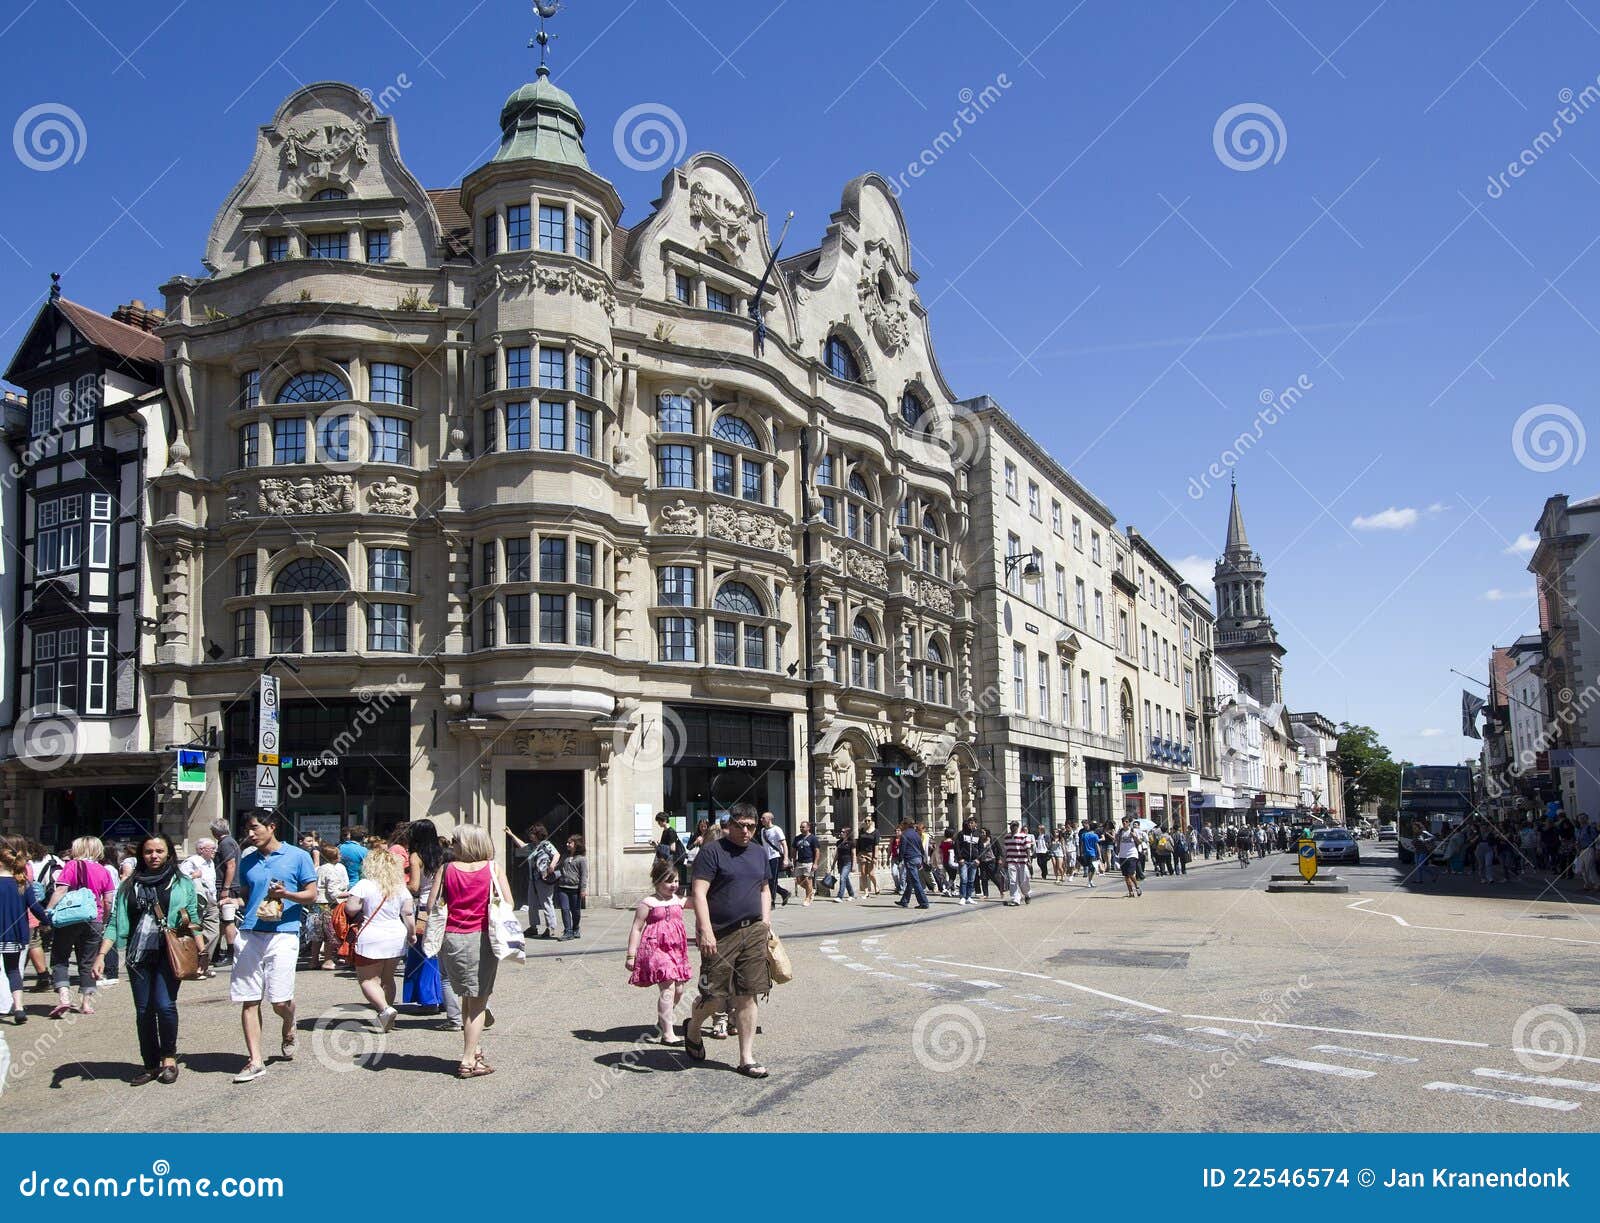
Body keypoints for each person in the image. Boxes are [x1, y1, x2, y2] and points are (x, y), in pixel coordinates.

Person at [92, 834, 199, 1086]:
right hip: (137, 954)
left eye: (159, 851)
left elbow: (193, 917)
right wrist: (100, 955)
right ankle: (150, 1064)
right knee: (143, 1011)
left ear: (169, 854)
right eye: (149, 851)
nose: (154, 856)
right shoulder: (129, 885)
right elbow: (115, 922)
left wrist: (201, 951)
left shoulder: (182, 883)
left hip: (169, 953)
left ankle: (169, 1058)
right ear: (141, 854)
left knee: (164, 1005)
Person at [684, 802, 771, 1078]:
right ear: (729, 825)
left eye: (751, 826)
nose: (746, 831)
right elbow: (699, 893)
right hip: (721, 933)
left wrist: (766, 922)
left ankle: (746, 1058)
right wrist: (705, 929)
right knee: (714, 996)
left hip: (754, 931)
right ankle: (694, 1027)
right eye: (740, 825)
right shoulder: (712, 852)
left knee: (749, 993)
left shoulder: (759, 853)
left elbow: (765, 888)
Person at [229, 810, 317, 1084]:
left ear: (272, 827)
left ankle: (289, 1022)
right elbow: (246, 895)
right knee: (249, 998)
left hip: (283, 932)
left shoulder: (298, 856)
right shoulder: (248, 860)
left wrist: (287, 894)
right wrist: (231, 905)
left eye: (255, 828)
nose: (250, 834)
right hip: (250, 932)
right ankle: (255, 1060)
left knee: (279, 1000)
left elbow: (312, 895)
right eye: (247, 830)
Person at [435, 823, 512, 1078]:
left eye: (455, 840)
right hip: (482, 938)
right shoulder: (493, 868)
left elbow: (431, 905)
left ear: (466, 843)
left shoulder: (445, 870)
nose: (452, 844)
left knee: (468, 997)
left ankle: (475, 1051)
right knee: (478, 1002)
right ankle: (468, 1059)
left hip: (453, 937)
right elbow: (509, 902)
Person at [344, 847, 414, 1033]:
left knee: (368, 980)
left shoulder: (364, 884)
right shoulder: (400, 887)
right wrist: (412, 933)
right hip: (396, 935)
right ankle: (387, 1016)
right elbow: (407, 913)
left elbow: (351, 909)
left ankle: (385, 1009)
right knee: (388, 978)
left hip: (372, 935)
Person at [46, 837, 117, 1018]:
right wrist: (104, 919)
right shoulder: (104, 871)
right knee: (87, 961)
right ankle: (86, 1003)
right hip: (94, 918)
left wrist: (48, 910)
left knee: (60, 957)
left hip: (69, 918)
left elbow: (61, 890)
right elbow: (108, 900)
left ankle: (64, 998)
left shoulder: (71, 866)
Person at [626, 857, 692, 1045]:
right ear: (657, 882)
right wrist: (631, 955)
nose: (674, 885)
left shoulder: (678, 900)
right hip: (655, 949)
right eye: (669, 881)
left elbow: (702, 901)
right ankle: (668, 1034)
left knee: (679, 990)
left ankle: (663, 1020)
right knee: (668, 988)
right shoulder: (648, 903)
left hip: (677, 950)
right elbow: (637, 928)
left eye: (677, 881)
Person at [404, 819, 458, 1026]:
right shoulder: (444, 853)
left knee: (422, 954)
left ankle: (428, 999)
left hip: (424, 909)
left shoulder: (416, 856)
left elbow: (415, 886)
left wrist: (398, 885)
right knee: (438, 955)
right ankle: (444, 998)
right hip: (444, 907)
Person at [0, 840, 50, 1023]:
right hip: (15, 934)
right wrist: (47, 921)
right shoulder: (22, 884)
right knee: (13, 971)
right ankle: (19, 1008)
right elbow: (36, 908)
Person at [508, 822, 561, 940]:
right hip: (533, 879)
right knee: (532, 904)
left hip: (544, 878)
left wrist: (552, 866)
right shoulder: (532, 846)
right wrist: (511, 835)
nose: (530, 836)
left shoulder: (546, 844)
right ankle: (533, 927)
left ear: (538, 834)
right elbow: (522, 845)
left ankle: (551, 928)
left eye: (532, 833)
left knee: (546, 902)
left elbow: (557, 854)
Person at [178, 838, 220, 978]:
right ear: (201, 850)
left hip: (211, 901)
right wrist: (194, 875)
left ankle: (202, 964)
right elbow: (180, 880)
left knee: (213, 932)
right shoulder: (191, 862)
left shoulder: (211, 862)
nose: (215, 850)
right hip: (197, 902)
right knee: (196, 932)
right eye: (212, 848)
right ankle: (195, 966)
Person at [305, 842, 347, 970]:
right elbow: (333, 892)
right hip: (327, 905)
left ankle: (314, 960)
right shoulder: (331, 870)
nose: (340, 855)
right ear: (333, 856)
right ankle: (328, 960)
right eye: (338, 854)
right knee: (329, 933)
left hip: (315, 904)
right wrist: (348, 894)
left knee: (316, 935)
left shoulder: (319, 869)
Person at [26, 841, 61, 990]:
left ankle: (42, 976)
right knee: (33, 942)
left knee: (30, 942)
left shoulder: (26, 865)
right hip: (44, 903)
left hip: (30, 905)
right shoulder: (54, 859)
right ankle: (43, 976)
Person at [210, 818, 242, 968]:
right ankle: (218, 952)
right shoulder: (230, 842)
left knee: (228, 920)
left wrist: (225, 889)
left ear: (215, 831)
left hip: (226, 888)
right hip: (227, 886)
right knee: (223, 921)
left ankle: (231, 954)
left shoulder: (226, 843)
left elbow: (231, 865)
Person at [556, 834, 587, 941]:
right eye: (567, 842)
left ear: (576, 844)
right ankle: (568, 931)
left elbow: (584, 875)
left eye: (570, 842)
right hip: (562, 887)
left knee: (576, 911)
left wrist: (583, 889)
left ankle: (576, 928)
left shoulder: (581, 859)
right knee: (564, 909)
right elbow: (558, 867)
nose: (567, 844)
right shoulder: (565, 856)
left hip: (575, 889)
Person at [894, 820, 930, 909]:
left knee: (915, 881)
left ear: (906, 825)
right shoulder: (916, 834)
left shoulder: (904, 835)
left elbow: (902, 849)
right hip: (918, 858)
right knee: (910, 881)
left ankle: (924, 902)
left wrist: (899, 860)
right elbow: (921, 848)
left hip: (910, 859)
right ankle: (904, 901)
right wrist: (922, 859)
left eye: (902, 824)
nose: (901, 826)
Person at [759, 812, 790, 907]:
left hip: (775, 857)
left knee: (772, 880)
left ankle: (771, 902)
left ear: (769, 819)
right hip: (766, 858)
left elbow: (784, 844)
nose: (761, 819)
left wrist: (785, 858)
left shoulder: (776, 829)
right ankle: (784, 892)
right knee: (767, 880)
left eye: (763, 818)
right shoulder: (763, 830)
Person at [1004, 821, 1033, 906]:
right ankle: (1016, 899)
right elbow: (1006, 850)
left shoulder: (1024, 836)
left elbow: (1027, 848)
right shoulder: (1007, 837)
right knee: (1013, 881)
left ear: (1017, 827)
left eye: (1013, 826)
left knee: (1023, 880)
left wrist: (1028, 859)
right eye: (1010, 826)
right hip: (1011, 861)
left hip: (1022, 862)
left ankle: (1027, 894)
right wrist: (1005, 860)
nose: (1011, 827)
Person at [792, 820, 821, 905]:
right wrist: (793, 861)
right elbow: (794, 850)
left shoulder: (813, 838)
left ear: (808, 828)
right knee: (798, 881)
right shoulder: (797, 838)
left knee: (808, 880)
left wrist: (815, 863)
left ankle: (807, 898)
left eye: (803, 827)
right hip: (799, 862)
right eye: (800, 827)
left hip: (809, 862)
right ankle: (811, 891)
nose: (801, 828)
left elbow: (817, 851)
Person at [337, 826, 369, 899]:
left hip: (340, 886)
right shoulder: (364, 851)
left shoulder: (339, 847)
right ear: (363, 837)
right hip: (356, 886)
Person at [955, 819, 981, 905]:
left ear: (975, 824)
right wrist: (960, 858)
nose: (970, 825)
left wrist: (979, 859)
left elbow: (981, 848)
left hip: (974, 861)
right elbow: (957, 846)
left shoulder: (978, 834)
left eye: (972, 823)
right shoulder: (961, 834)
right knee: (964, 879)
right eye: (969, 823)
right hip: (964, 860)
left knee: (971, 880)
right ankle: (962, 897)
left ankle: (968, 897)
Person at [1116, 820, 1144, 898]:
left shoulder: (1133, 831)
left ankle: (1137, 887)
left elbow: (1139, 842)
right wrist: (1117, 851)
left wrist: (1134, 836)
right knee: (1126, 876)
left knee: (1131, 873)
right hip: (1122, 855)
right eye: (1123, 822)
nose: (1124, 823)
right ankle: (1130, 892)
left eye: (1126, 822)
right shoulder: (1120, 831)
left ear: (1128, 823)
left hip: (1132, 854)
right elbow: (1118, 842)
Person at [856, 822, 880, 896]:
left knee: (871, 874)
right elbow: (858, 842)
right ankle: (866, 892)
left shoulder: (876, 831)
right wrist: (857, 853)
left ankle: (876, 886)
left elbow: (876, 844)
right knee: (863, 873)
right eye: (866, 820)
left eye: (869, 820)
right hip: (862, 853)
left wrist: (875, 857)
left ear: (872, 822)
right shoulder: (861, 831)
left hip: (871, 853)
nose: (867, 822)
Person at [832, 830, 856, 902]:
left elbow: (853, 854)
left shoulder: (851, 843)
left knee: (842, 878)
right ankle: (851, 894)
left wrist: (854, 865)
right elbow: (837, 854)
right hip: (840, 863)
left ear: (847, 833)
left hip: (847, 862)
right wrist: (833, 864)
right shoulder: (839, 842)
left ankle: (840, 896)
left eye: (843, 832)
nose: (841, 833)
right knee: (845, 879)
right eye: (841, 831)